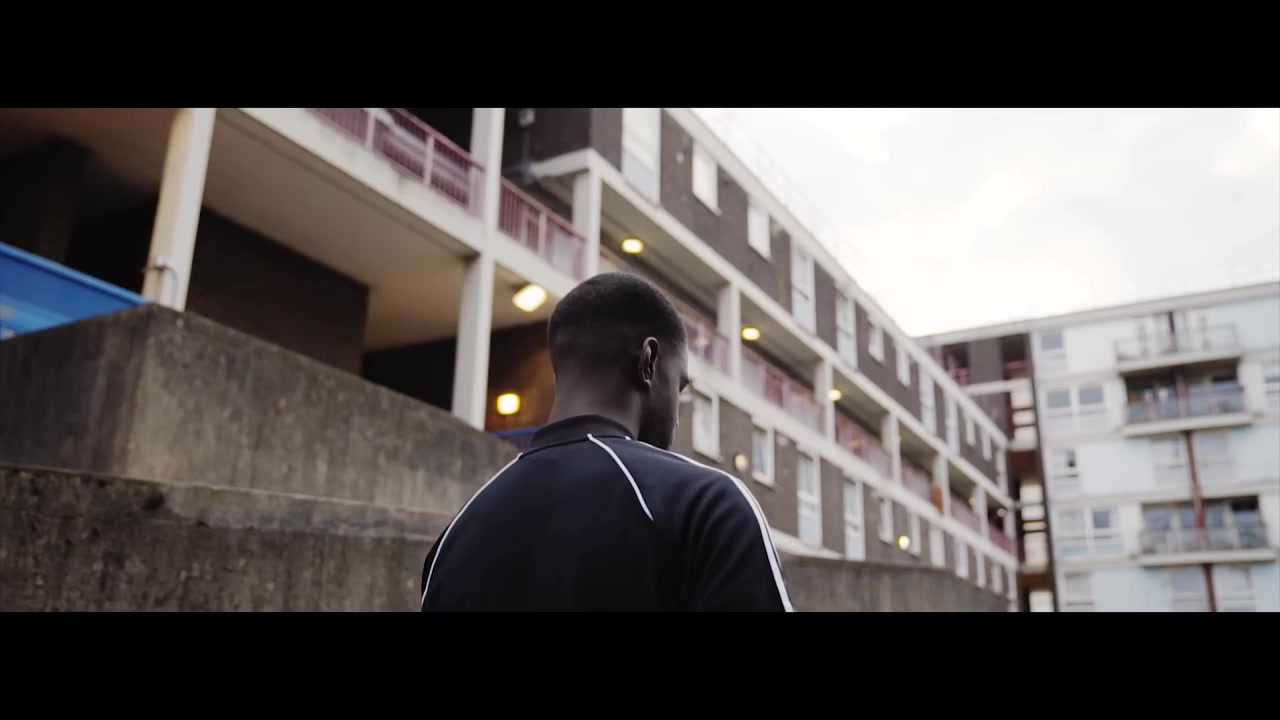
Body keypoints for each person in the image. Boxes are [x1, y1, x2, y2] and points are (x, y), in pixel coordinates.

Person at [420, 272, 794, 612]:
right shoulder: (706, 505)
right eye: (678, 387)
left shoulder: (454, 539)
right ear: (648, 361)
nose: (677, 416)